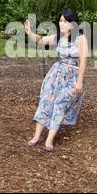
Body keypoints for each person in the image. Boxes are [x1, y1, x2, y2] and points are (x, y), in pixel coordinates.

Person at [24, 8, 88, 151]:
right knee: (46, 100)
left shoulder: (80, 39)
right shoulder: (58, 37)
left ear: (72, 24)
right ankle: (36, 136)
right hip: (55, 75)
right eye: (60, 21)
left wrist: (79, 82)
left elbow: (83, 61)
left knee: (60, 103)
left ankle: (49, 140)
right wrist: (29, 32)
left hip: (72, 77)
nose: (61, 24)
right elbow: (41, 40)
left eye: (65, 21)